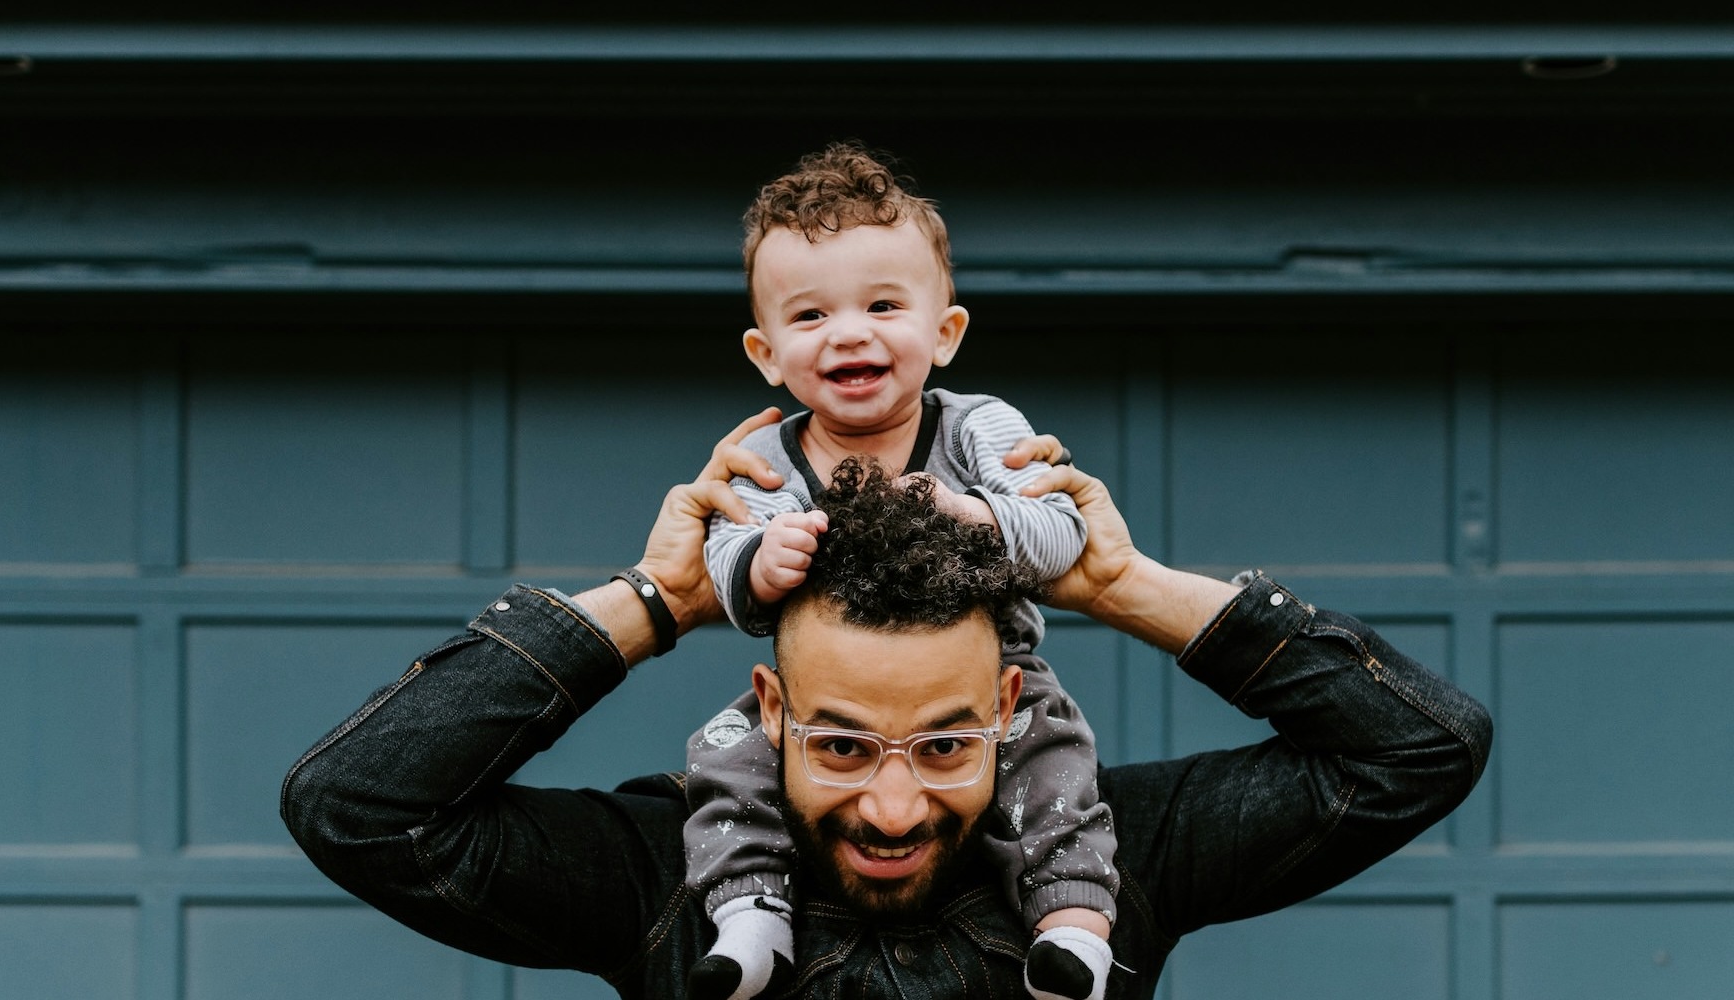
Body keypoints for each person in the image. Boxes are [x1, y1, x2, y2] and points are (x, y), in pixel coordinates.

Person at [280, 409, 1494, 999]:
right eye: (845, 744)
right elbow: (359, 804)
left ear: (1012, 702)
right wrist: (659, 598)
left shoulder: (1113, 860)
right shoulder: (665, 878)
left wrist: (1125, 586)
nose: (896, 802)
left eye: (948, 742)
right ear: (770, 708)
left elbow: (1419, 747)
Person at [689, 141, 1114, 1000]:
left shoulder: (977, 430)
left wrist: (981, 514)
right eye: (809, 318)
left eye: (883, 305)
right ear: (767, 354)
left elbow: (1061, 531)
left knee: (1056, 766)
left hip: (996, 672)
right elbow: (725, 557)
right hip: (821, 691)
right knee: (724, 759)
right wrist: (760, 563)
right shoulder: (765, 455)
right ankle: (750, 916)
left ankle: (1072, 929)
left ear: (945, 332)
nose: (849, 332)